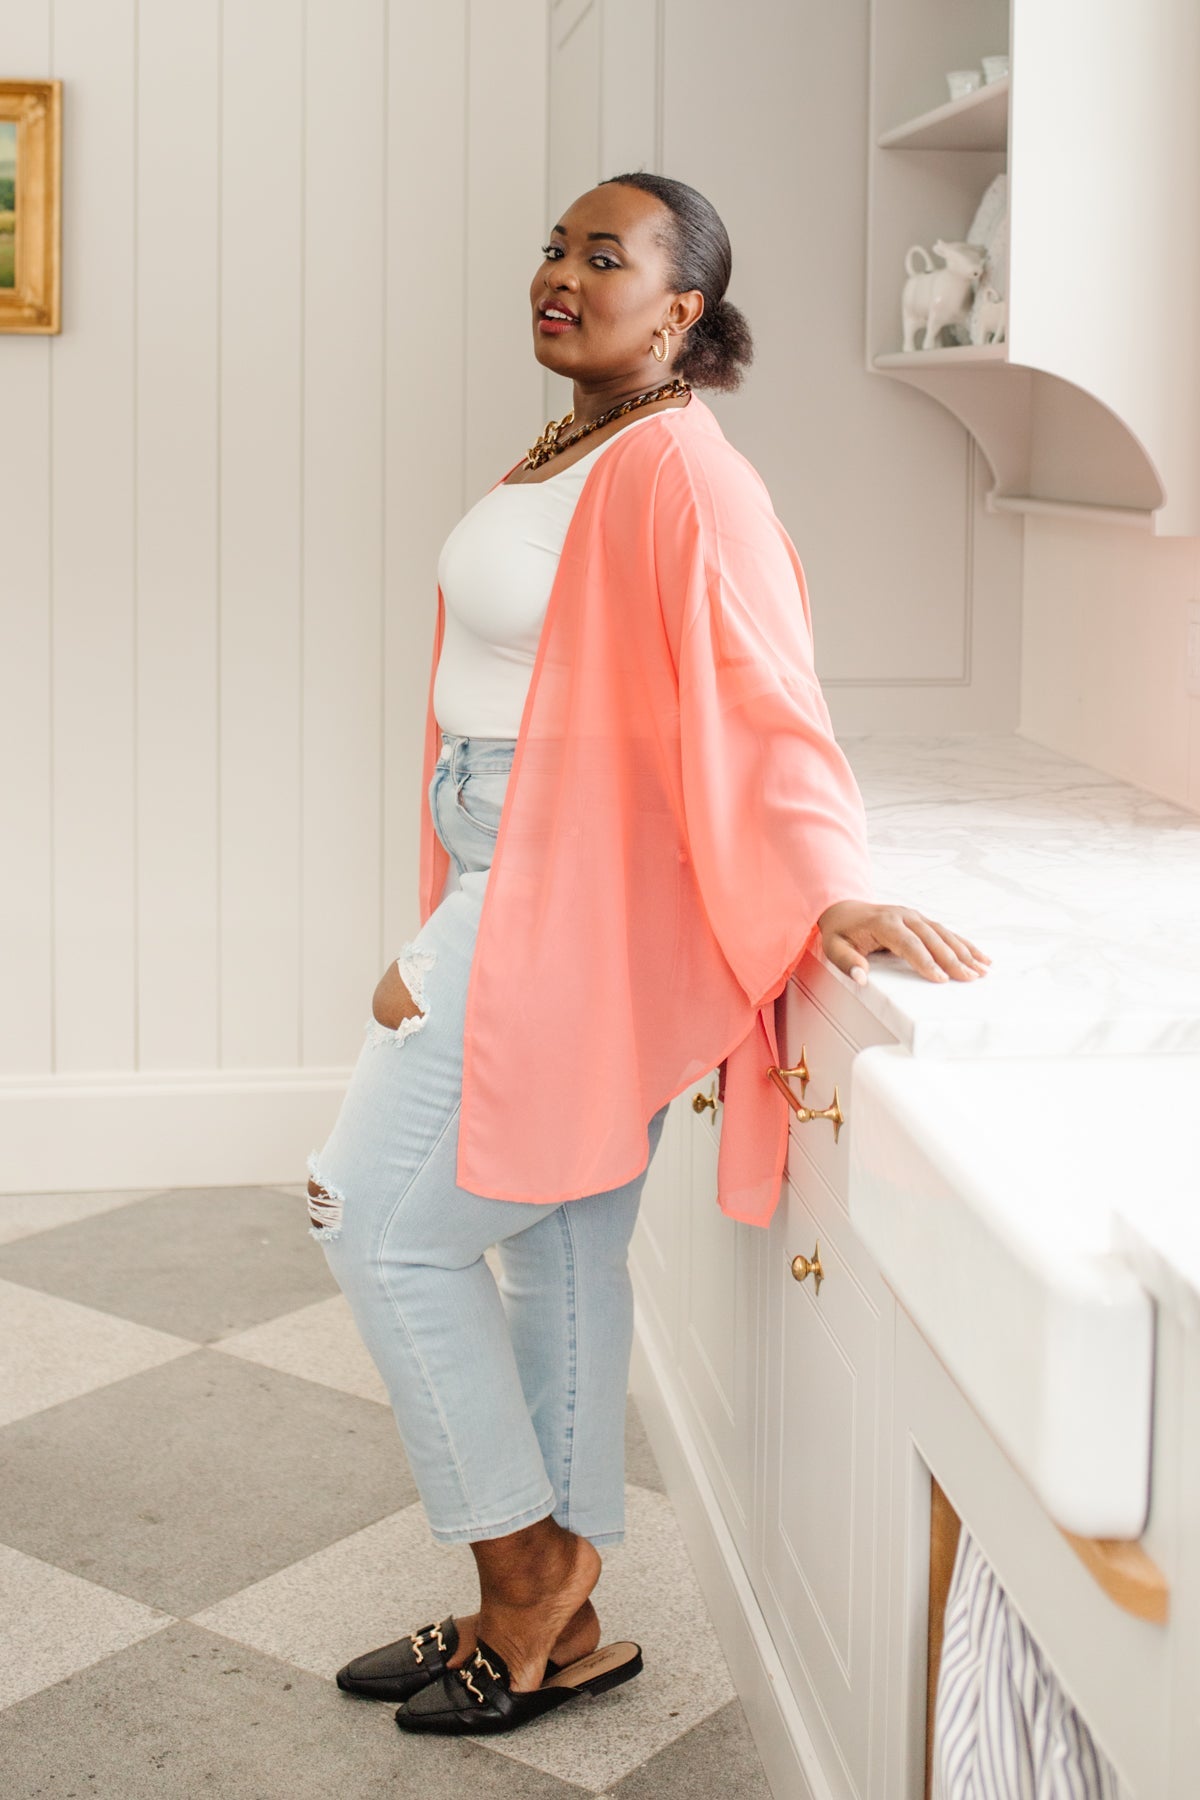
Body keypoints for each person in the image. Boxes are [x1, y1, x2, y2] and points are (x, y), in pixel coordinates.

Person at [305, 172, 990, 1739]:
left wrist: (828, 889)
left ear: (682, 309)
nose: (561, 273)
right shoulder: (577, 444)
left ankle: (526, 1570)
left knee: (374, 1222)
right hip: (513, 861)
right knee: (555, 1246)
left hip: (555, 887)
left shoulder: (686, 469)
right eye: (555, 247)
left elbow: (765, 691)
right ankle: (563, 1623)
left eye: (604, 257)